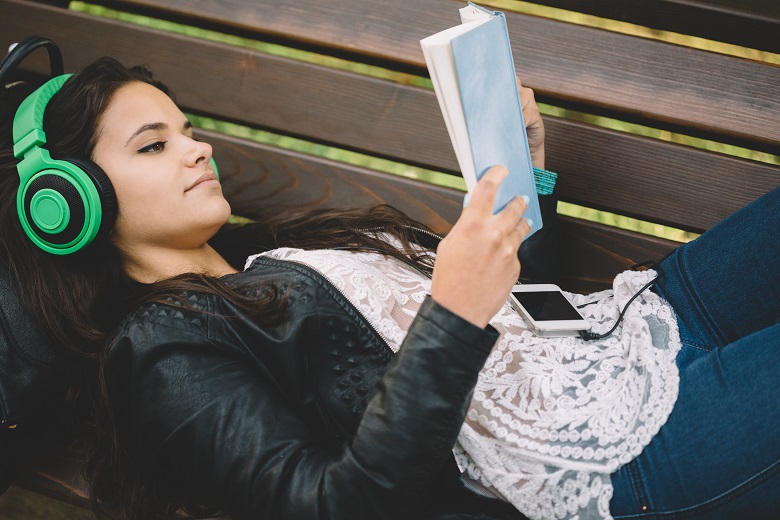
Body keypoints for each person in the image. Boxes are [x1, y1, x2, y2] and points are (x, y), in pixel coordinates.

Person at [0, 52, 778, 520]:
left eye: (189, 130)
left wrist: (522, 176)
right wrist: (452, 312)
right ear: (70, 205)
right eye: (154, 144)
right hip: (619, 463)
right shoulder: (161, 356)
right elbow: (336, 505)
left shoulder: (268, 261)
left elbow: (502, 330)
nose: (197, 150)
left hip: (633, 330)